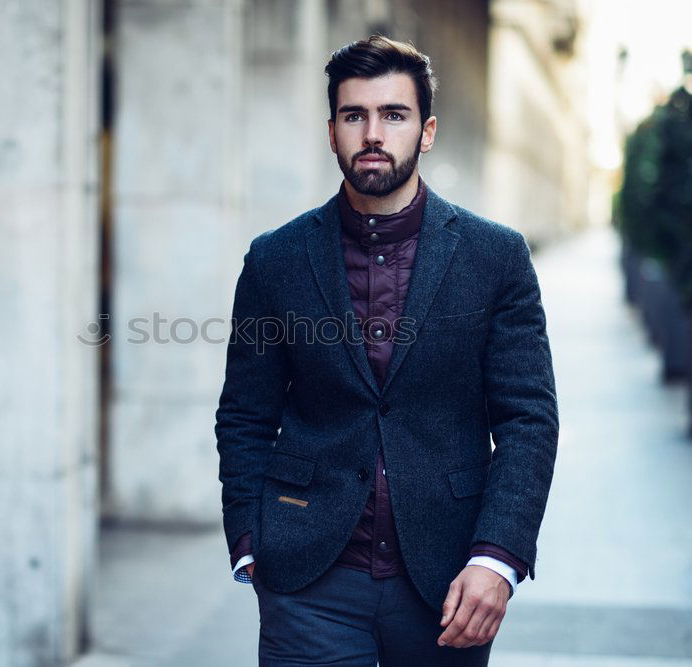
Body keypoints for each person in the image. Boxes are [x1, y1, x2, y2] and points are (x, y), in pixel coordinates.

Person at [214, 35, 558, 666]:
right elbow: (244, 412)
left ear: (426, 131)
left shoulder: (495, 257)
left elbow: (527, 419)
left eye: (393, 115)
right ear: (331, 131)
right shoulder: (275, 260)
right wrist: (249, 537)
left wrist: (497, 557)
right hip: (308, 580)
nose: (373, 133)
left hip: (448, 580)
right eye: (355, 115)